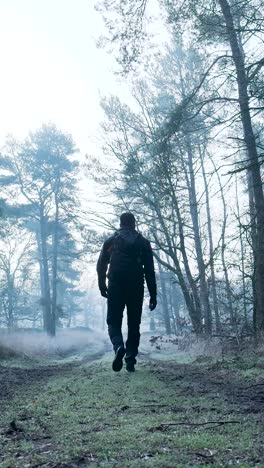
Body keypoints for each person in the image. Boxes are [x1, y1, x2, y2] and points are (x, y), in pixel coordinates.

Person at [97, 212, 157, 372]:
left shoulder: (111, 241)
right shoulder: (143, 243)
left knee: (113, 321)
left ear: (120, 223)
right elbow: (150, 271)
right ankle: (130, 359)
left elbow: (101, 264)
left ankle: (118, 347)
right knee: (134, 324)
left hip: (116, 285)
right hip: (136, 286)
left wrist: (102, 285)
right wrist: (153, 294)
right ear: (134, 223)